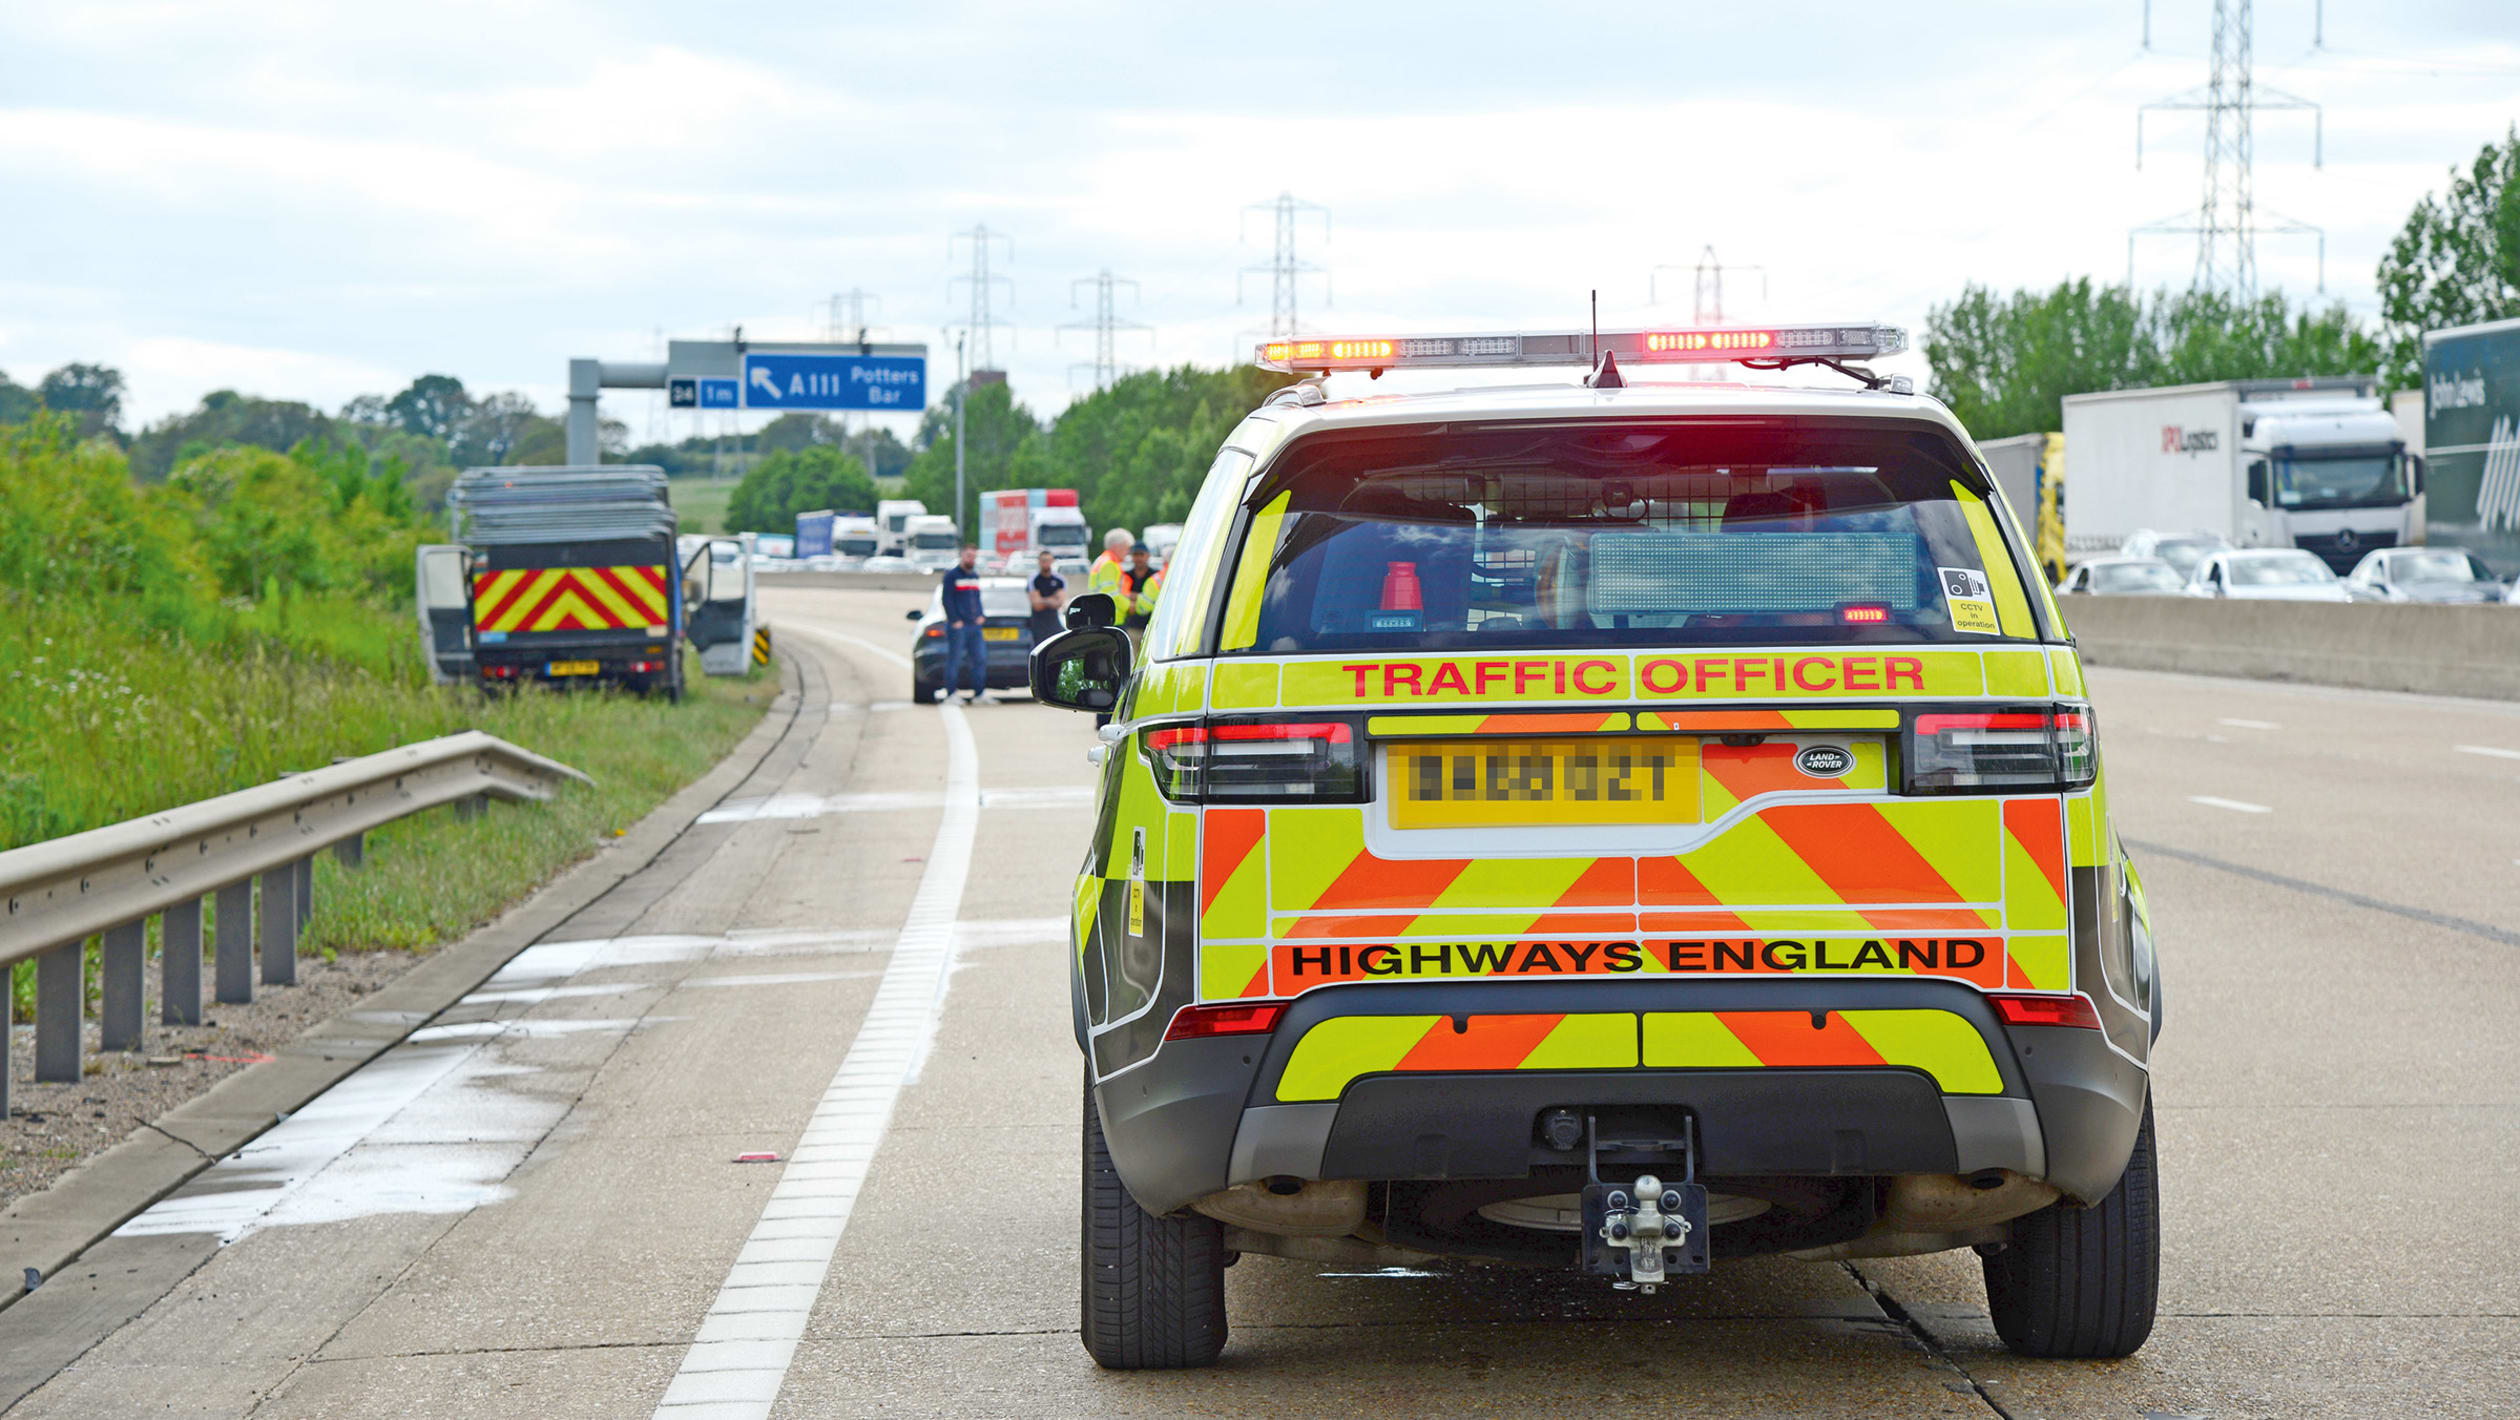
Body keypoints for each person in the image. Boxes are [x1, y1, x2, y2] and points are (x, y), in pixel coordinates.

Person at [939, 544, 988, 704]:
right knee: (955, 660)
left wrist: (981, 615)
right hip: (959, 626)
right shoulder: (952, 576)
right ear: (962, 555)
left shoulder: (974, 575)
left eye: (973, 556)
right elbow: (947, 600)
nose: (971, 559)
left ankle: (979, 694)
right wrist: (955, 620)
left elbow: (977, 598)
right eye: (968, 556)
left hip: (974, 625)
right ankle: (951, 694)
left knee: (980, 658)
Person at [1027, 549, 1068, 644]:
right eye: (1043, 561)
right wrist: (1053, 598)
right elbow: (1037, 605)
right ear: (1039, 562)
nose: (1046, 564)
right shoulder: (1034, 579)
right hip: (1038, 625)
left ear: (1052, 561)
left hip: (1054, 624)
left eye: (1048, 561)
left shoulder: (1059, 580)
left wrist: (1043, 600)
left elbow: (1060, 603)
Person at [1087, 528, 1133, 610]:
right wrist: (1129, 606)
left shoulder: (1102, 560)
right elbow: (1111, 594)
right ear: (1117, 547)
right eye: (1127, 547)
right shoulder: (1109, 564)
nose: (1128, 552)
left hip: (1102, 614)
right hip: (1111, 618)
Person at [1121, 542, 1161, 631]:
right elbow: (1122, 595)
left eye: (1141, 555)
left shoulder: (1156, 576)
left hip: (1152, 627)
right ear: (1131, 556)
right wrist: (1143, 597)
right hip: (1132, 626)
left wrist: (1134, 596)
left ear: (1148, 556)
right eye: (1135, 555)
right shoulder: (1126, 575)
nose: (1138, 558)